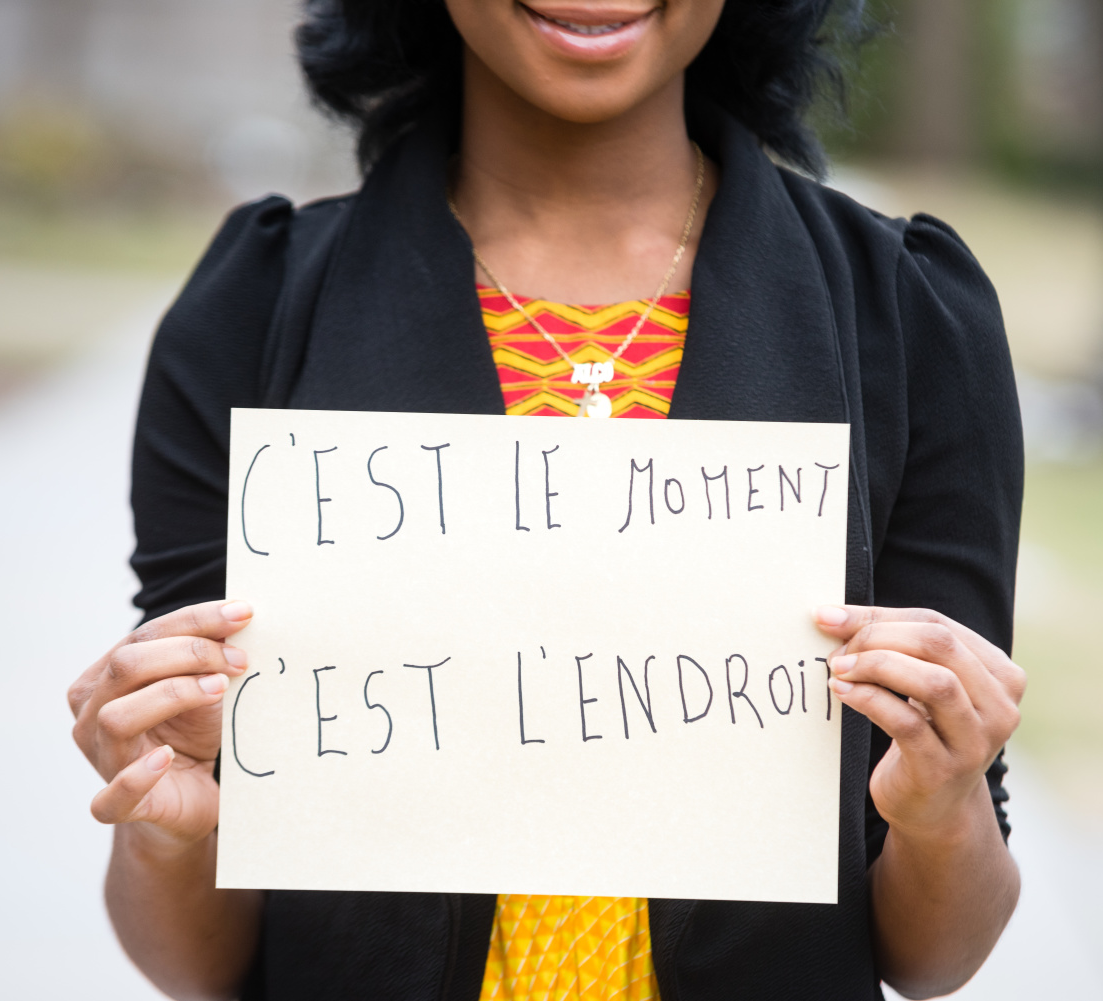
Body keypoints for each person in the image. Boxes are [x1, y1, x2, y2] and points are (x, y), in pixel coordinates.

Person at [66, 1, 1027, 998]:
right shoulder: (254, 309)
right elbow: (199, 962)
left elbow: (935, 956)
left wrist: (943, 805)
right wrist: (162, 831)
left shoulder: (911, 321)